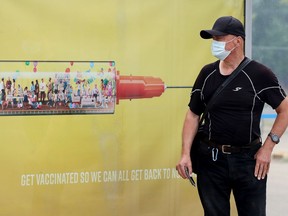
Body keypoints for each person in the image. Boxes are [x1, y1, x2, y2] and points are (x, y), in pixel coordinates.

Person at [176, 16, 288, 216]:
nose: (215, 44)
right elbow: (193, 114)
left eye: (219, 39)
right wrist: (185, 154)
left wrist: (267, 148)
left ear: (237, 41)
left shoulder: (260, 74)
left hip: (249, 160)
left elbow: (285, 110)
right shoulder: (206, 74)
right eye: (213, 39)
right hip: (211, 159)